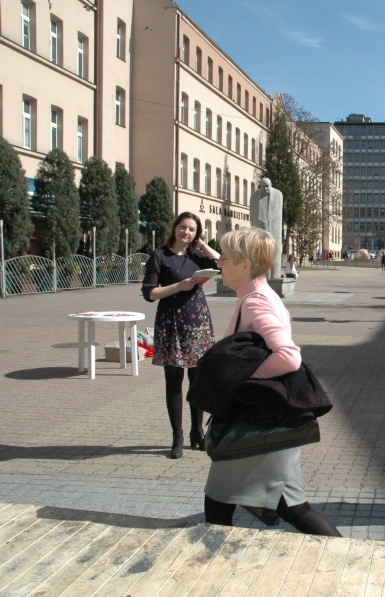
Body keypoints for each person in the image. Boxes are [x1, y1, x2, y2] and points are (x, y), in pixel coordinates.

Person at [203, 227, 342, 537]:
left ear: (245, 264)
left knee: (220, 506)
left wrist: (244, 380)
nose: (219, 264)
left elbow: (288, 357)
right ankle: (345, 555)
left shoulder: (255, 301)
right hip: (266, 425)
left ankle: (214, 561)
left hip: (256, 428)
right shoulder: (260, 294)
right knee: (291, 508)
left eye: (224, 258)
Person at [142, 212, 220, 459]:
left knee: (197, 381)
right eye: (183, 227)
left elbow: (221, 263)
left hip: (197, 324)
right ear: (175, 228)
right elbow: (149, 293)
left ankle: (198, 432)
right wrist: (179, 286)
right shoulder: (160, 256)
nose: (187, 232)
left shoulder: (196, 256)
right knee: (174, 381)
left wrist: (202, 244)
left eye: (192, 229)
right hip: (171, 324)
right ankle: (178, 437)